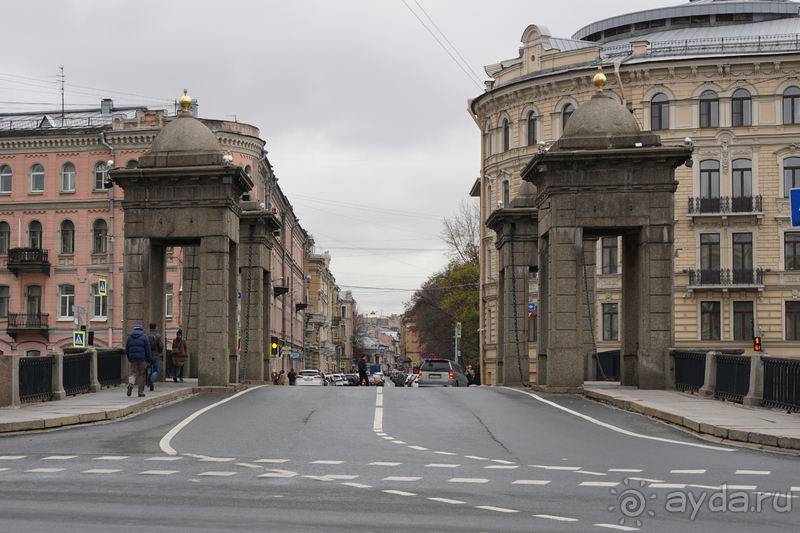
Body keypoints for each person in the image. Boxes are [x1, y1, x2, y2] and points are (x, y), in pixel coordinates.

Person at [125, 324, 151, 398]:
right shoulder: (144, 337)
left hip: (133, 359)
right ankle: (140, 392)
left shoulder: (129, 338)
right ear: (141, 330)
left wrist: (129, 358)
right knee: (141, 375)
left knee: (132, 373)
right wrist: (149, 360)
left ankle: (131, 383)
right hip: (142, 359)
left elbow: (127, 349)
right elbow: (148, 350)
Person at [147, 322, 164, 391]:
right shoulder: (158, 336)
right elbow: (161, 346)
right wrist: (159, 352)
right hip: (156, 355)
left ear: (149, 328)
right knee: (156, 370)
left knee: (149, 369)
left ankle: (150, 382)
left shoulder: (146, 336)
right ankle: (152, 379)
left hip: (148, 355)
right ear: (156, 328)